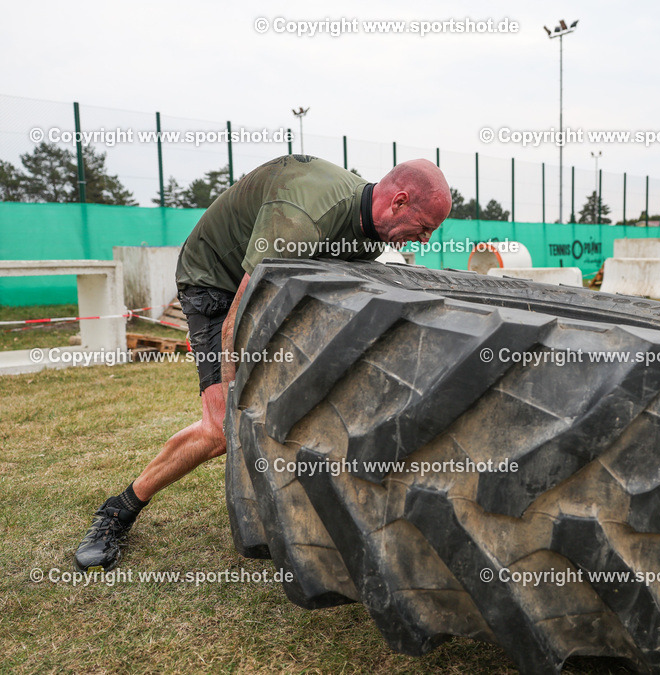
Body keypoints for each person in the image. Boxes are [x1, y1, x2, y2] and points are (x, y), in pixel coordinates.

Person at [74, 154, 452, 571]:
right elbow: (236, 315)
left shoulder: (373, 237)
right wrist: (229, 380)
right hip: (215, 283)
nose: (425, 240)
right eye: (425, 228)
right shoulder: (304, 215)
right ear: (399, 202)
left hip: (268, 286)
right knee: (220, 428)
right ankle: (118, 510)